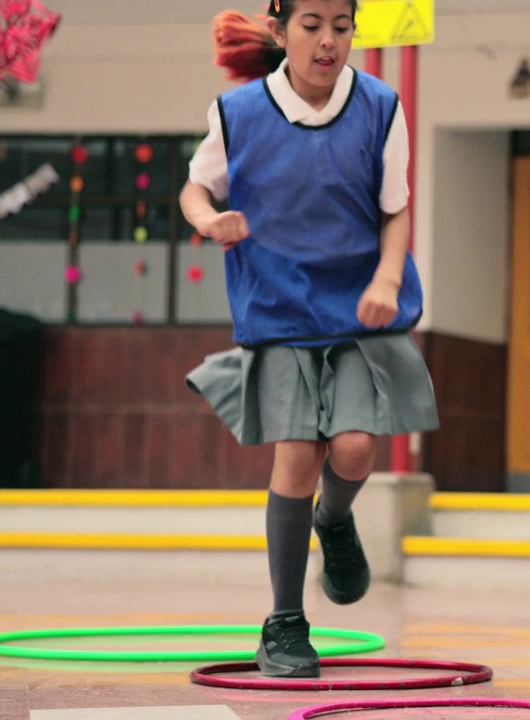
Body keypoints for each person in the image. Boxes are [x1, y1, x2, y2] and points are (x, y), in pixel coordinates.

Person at [179, 0, 438, 678]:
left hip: (357, 309)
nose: (328, 41)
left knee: (353, 447)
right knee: (298, 452)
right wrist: (211, 221)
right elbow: (195, 189)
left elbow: (396, 208)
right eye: (312, 25)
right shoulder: (237, 114)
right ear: (278, 28)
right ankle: (285, 624)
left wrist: (387, 278)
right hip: (281, 310)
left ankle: (335, 520)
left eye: (341, 27)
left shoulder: (381, 105)